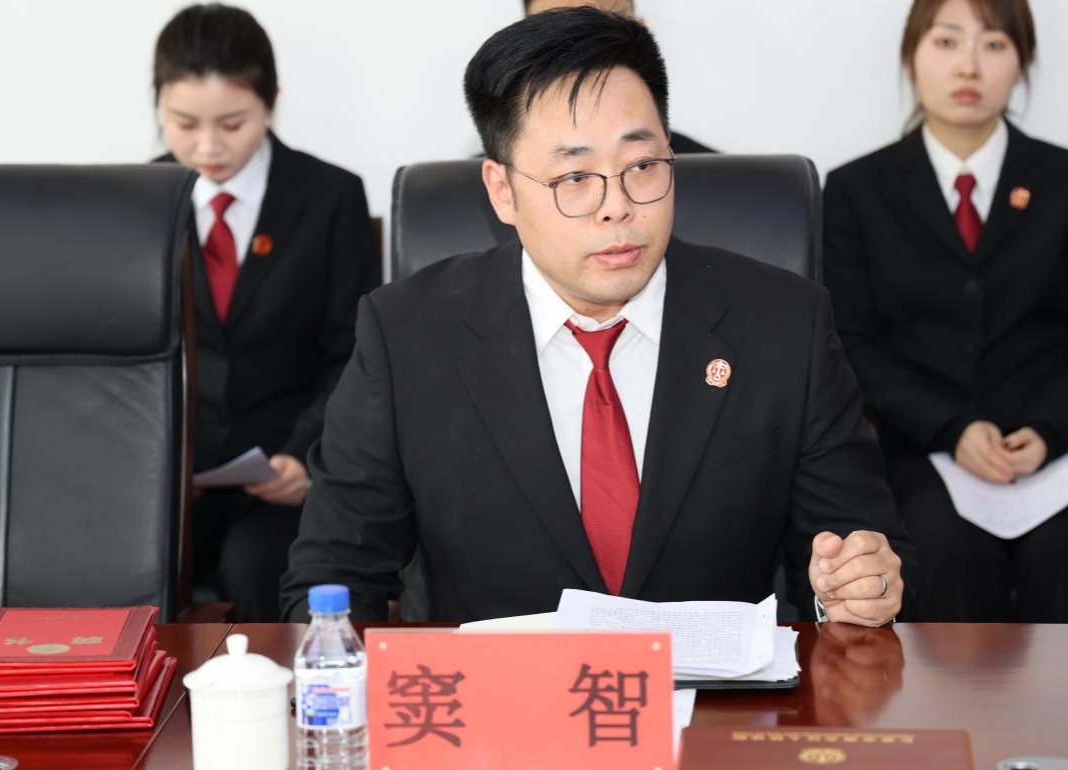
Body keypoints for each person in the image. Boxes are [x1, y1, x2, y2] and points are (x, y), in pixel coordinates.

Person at [281, 7, 915, 626]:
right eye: (574, 177)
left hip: (714, 695)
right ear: (503, 192)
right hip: (500, 693)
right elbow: (334, 573)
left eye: (641, 166)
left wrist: (857, 592)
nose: (617, 206)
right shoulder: (407, 336)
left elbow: (861, 554)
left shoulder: (784, 325)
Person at [822, 0, 1068, 622]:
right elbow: (852, 345)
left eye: (994, 44)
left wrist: (1047, 430)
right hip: (925, 447)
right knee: (947, 556)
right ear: (911, 57)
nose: (969, 65)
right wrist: (951, 428)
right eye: (946, 42)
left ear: (1021, 62)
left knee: (1066, 554)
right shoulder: (857, 191)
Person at [153, 3, 379, 621]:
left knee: (260, 570)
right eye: (183, 123)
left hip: (283, 473)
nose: (208, 146)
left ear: (271, 102)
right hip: (169, 480)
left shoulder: (329, 197)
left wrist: (306, 455)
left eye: (232, 123)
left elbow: (354, 352)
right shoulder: (138, 203)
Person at [522, 0, 716, 154]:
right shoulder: (507, 172)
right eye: (555, 36)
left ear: (642, 37)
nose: (581, 57)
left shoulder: (717, 180)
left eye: (601, 32)